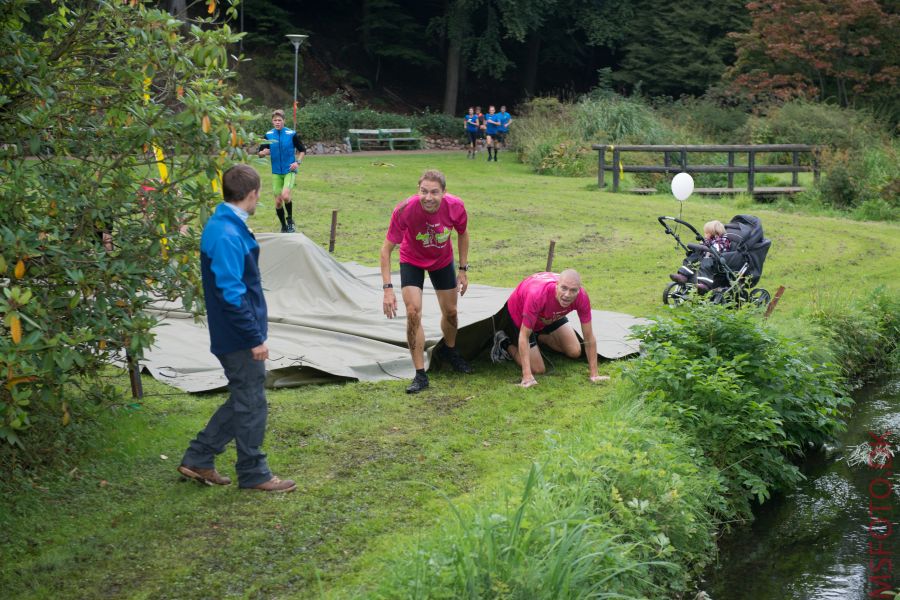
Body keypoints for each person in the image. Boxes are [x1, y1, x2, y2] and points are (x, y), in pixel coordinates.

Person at [178, 164, 295, 493]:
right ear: (253, 193)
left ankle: (199, 457)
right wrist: (254, 337)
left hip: (233, 331)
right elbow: (232, 294)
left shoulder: (224, 224)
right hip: (237, 334)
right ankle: (254, 472)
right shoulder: (227, 234)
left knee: (245, 396)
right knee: (252, 401)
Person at [380, 169, 473, 394]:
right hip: (412, 260)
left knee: (451, 311)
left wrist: (462, 269)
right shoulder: (403, 210)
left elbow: (463, 233)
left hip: (442, 261)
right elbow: (386, 250)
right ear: (417, 190)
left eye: (434, 192)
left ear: (444, 193)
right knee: (413, 312)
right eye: (424, 191)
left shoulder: (456, 207)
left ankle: (449, 351)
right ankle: (420, 374)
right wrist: (387, 289)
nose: (428, 197)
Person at [490, 270, 608, 388]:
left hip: (549, 315)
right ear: (556, 286)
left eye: (573, 290)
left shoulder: (582, 297)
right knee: (538, 368)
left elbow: (588, 336)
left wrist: (594, 375)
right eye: (564, 288)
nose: (567, 295)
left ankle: (538, 337)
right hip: (520, 313)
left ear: (579, 290)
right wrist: (527, 376)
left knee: (575, 351)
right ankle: (504, 342)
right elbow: (524, 335)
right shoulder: (537, 295)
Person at [258, 109, 306, 233]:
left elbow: (302, 150)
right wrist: (263, 152)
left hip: (289, 170)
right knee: (278, 202)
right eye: (275, 120)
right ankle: (283, 226)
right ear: (272, 121)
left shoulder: (291, 134)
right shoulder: (268, 135)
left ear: (284, 121)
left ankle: (290, 220)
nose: (277, 122)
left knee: (285, 195)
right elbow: (260, 153)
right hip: (276, 173)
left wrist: (297, 163)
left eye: (279, 120)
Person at [670, 220, 732, 286]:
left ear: (712, 234)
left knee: (705, 264)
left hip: (715, 261)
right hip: (705, 257)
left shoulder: (721, 241)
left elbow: (718, 251)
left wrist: (707, 249)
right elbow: (703, 248)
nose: (704, 235)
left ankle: (704, 284)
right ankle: (683, 275)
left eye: (706, 233)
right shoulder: (708, 241)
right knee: (692, 257)